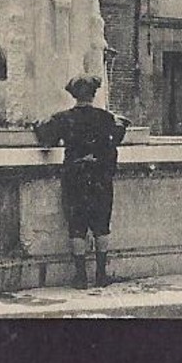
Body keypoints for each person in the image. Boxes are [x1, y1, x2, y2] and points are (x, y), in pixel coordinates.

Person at [33, 74, 128, 287]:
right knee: (101, 224)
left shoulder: (63, 118)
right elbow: (118, 136)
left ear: (74, 95)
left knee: (77, 226)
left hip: (75, 176)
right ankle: (101, 275)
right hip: (99, 177)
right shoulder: (105, 117)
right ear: (93, 94)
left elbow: (46, 138)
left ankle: (80, 276)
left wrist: (37, 125)